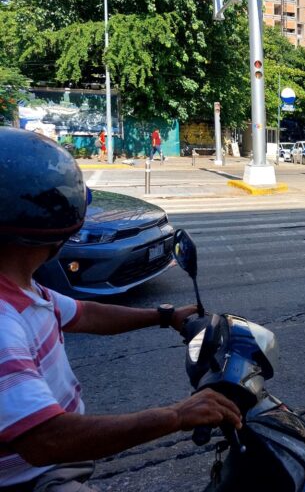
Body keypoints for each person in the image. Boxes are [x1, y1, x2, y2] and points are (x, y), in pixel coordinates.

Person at [0, 128, 242, 491]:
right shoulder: (3, 321)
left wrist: (164, 316)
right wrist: (176, 416)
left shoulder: (22, 287)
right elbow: (46, 438)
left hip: (54, 461)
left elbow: (85, 314)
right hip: (34, 477)